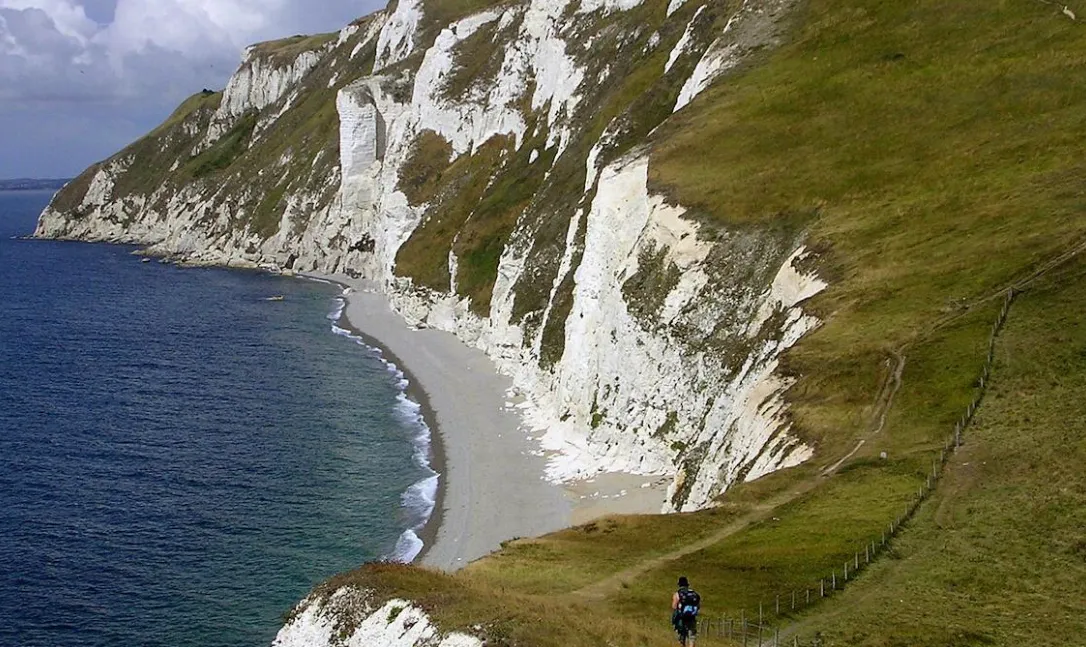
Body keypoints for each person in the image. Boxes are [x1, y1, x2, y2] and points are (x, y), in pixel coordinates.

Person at [671, 576, 700, 646]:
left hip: (681, 619)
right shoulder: (694, 594)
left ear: (679, 585)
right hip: (692, 618)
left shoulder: (678, 594)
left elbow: (674, 606)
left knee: (682, 637)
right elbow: (698, 606)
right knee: (691, 637)